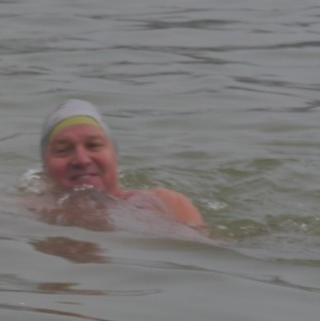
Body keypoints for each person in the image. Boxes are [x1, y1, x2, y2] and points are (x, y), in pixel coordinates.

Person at [26, 100, 204, 234]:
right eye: (63, 150)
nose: (81, 160)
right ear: (45, 166)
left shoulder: (167, 205)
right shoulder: (29, 212)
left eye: (93, 145)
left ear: (114, 155)